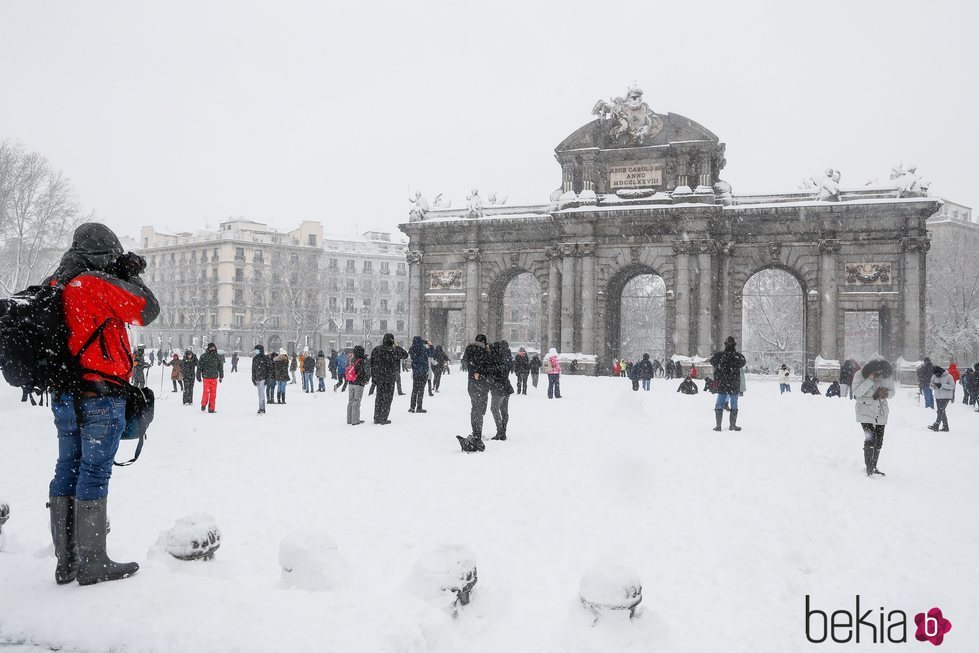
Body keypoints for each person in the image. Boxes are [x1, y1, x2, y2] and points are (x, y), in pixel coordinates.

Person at [45, 222, 159, 585]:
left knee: (67, 467)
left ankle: (67, 560)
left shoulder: (58, 283)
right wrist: (131, 276)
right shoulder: (91, 284)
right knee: (94, 472)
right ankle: (92, 563)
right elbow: (147, 309)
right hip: (98, 395)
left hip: (65, 396)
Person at [854, 359, 894, 477]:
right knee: (870, 438)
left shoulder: (886, 375)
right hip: (865, 412)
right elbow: (857, 392)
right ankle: (869, 466)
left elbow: (892, 392)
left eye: (881, 372)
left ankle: (874, 465)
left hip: (881, 412)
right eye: (877, 372)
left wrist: (885, 393)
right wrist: (869, 380)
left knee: (879, 440)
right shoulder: (859, 375)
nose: (879, 375)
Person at [458, 334, 491, 452]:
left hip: (472, 384)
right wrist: (481, 375)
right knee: (480, 410)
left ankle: (476, 433)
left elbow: (465, 362)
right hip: (483, 384)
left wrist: (474, 372)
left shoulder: (470, 349)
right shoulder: (486, 353)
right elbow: (489, 369)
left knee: (475, 408)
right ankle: (477, 436)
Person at [709, 336, 747, 432]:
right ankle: (733, 425)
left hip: (723, 383)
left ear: (725, 344)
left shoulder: (719, 356)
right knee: (734, 403)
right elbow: (743, 362)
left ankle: (718, 426)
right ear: (735, 345)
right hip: (733, 383)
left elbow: (712, 361)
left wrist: (719, 367)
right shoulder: (738, 356)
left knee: (720, 403)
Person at [370, 334, 408, 425]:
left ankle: (377, 417)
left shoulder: (376, 350)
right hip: (389, 377)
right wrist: (397, 345)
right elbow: (405, 355)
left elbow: (372, 364)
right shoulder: (394, 350)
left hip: (379, 377)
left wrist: (374, 377)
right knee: (387, 398)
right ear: (392, 341)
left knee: (379, 397)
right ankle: (383, 418)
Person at [486, 340, 515, 440]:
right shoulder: (505, 358)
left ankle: (500, 431)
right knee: (504, 410)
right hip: (506, 387)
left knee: (494, 409)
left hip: (498, 389)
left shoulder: (494, 359)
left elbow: (493, 374)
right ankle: (503, 430)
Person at [345, 345, 370, 425]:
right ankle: (355, 420)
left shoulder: (352, 359)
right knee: (356, 401)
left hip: (351, 382)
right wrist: (366, 380)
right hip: (359, 383)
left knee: (350, 401)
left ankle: (349, 419)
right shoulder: (362, 361)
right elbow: (364, 372)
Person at [197, 342, 224, 413]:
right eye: (211, 347)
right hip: (206, 377)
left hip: (214, 378)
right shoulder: (203, 356)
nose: (212, 348)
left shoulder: (217, 356)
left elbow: (220, 367)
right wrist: (198, 375)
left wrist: (221, 376)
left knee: (213, 394)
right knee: (206, 392)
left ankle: (211, 408)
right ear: (208, 348)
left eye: (213, 347)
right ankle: (203, 404)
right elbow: (199, 367)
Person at [408, 336, 432, 413]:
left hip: (416, 372)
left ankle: (412, 407)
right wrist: (430, 345)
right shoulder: (424, 349)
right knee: (421, 390)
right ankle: (419, 407)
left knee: (414, 389)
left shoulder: (412, 349)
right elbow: (432, 353)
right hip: (423, 372)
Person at [928, 366, 954, 431]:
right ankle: (945, 427)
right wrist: (933, 386)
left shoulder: (949, 376)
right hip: (937, 396)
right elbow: (931, 385)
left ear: (941, 372)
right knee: (942, 411)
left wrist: (941, 385)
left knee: (940, 411)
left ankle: (936, 425)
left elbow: (952, 386)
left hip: (946, 397)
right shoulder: (934, 376)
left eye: (937, 374)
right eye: (935, 374)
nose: (936, 375)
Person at [251, 344, 273, 414]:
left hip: (263, 378)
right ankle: (262, 408)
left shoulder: (265, 358)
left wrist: (268, 378)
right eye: (255, 350)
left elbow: (269, 369)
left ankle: (261, 408)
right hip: (257, 378)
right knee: (260, 394)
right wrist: (253, 377)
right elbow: (253, 368)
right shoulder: (255, 358)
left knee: (261, 394)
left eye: (257, 350)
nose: (256, 351)